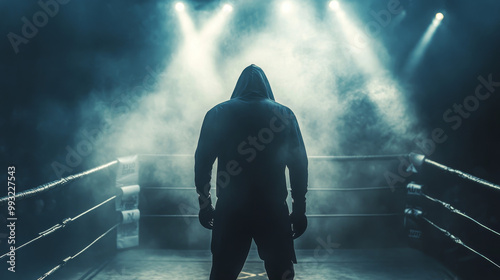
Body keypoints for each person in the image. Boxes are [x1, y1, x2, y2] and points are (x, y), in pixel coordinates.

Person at [194, 64, 308, 280]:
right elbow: (299, 164)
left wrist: (205, 204)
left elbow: (202, 163)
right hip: (272, 208)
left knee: (222, 272)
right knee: (281, 272)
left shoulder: (217, 113)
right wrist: (299, 208)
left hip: (231, 209)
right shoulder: (284, 114)